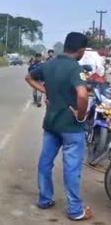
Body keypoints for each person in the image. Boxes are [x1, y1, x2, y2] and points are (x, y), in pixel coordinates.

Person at [25, 32, 93, 221]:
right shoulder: (75, 68)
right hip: (71, 127)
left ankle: (45, 199)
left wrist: (48, 91)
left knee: (45, 162)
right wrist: (81, 115)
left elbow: (28, 77)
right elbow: (81, 94)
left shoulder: (49, 64)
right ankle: (75, 210)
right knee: (72, 168)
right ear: (80, 50)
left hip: (51, 123)